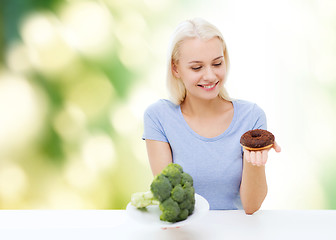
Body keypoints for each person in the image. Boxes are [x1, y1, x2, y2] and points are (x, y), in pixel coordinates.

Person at [142, 18, 281, 214]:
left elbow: (251, 206)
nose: (210, 76)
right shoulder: (159, 117)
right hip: (184, 231)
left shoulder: (251, 117)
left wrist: (255, 157)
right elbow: (169, 199)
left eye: (217, 63)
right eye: (197, 67)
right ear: (175, 68)